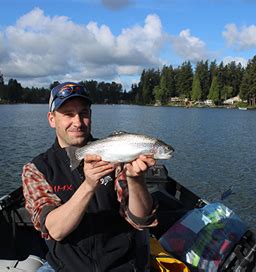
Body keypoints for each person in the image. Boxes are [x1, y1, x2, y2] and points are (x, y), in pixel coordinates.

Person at [22, 82, 158, 272]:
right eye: (68, 114)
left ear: (91, 116)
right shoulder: (37, 169)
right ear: (52, 119)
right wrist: (89, 185)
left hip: (121, 265)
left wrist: (136, 180)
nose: (77, 122)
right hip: (66, 267)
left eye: (83, 113)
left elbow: (141, 219)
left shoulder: (115, 155)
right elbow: (56, 230)